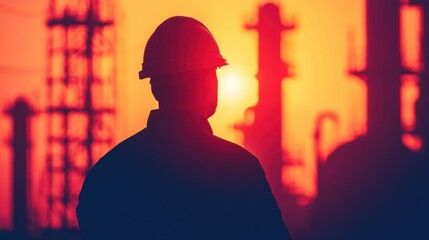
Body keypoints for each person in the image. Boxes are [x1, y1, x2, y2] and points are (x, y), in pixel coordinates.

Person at [76, 16, 290, 240]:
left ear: (153, 85)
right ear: (207, 79)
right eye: (214, 71)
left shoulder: (107, 175)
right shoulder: (238, 170)